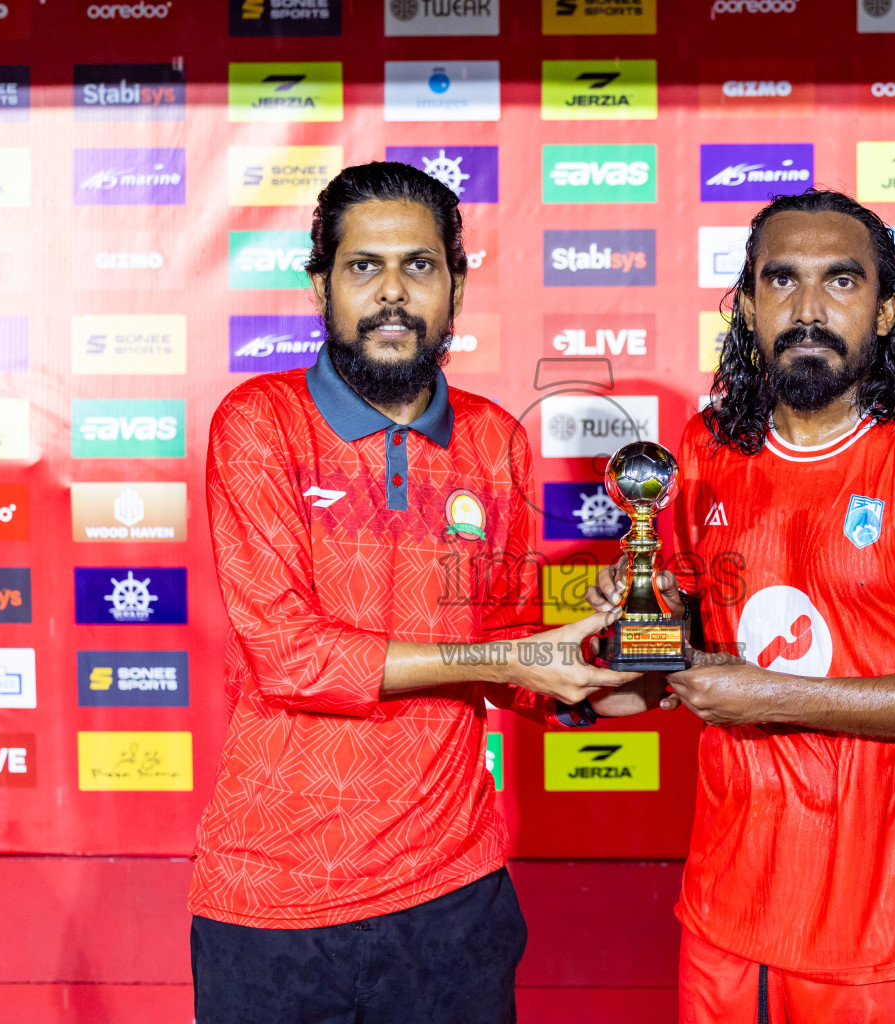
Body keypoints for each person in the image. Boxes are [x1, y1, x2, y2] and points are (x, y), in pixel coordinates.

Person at [189, 162, 647, 1024]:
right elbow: (295, 659)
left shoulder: (493, 438)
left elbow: (507, 656)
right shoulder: (259, 421)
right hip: (275, 902)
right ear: (321, 285)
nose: (392, 293)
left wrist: (613, 673)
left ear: (458, 287)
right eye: (364, 267)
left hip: (453, 897)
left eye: (420, 266)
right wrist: (516, 654)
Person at [587, 189, 895, 1023]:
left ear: (889, 310)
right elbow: (683, 646)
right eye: (781, 281)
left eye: (842, 282)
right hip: (725, 922)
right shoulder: (704, 450)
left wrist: (768, 694)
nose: (809, 309)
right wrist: (638, 619)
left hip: (885, 938)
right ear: (748, 307)